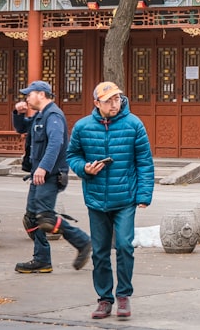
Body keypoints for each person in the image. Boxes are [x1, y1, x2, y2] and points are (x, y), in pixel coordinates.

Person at [66, 81, 154, 320]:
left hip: (125, 197)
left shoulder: (134, 124)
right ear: (97, 103)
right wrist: (84, 168)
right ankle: (104, 299)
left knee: (125, 245)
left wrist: (144, 194)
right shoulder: (83, 127)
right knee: (100, 252)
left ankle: (123, 295)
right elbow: (72, 155)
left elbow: (145, 162)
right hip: (95, 199)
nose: (114, 104)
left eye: (117, 99)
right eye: (109, 101)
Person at [12, 81, 92, 275]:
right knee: (32, 219)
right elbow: (22, 129)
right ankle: (42, 260)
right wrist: (18, 113)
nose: (26, 98)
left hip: (51, 175)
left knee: (45, 218)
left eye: (29, 95)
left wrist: (43, 168)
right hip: (37, 175)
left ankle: (83, 242)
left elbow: (56, 144)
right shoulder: (40, 115)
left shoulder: (53, 115)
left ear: (41, 94)